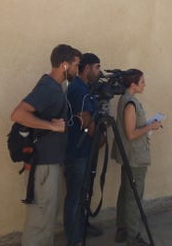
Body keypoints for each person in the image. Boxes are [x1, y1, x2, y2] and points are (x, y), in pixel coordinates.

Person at [11, 44, 81, 246]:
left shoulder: (55, 87)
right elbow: (18, 114)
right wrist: (51, 125)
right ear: (65, 65)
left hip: (49, 163)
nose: (77, 70)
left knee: (46, 217)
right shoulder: (48, 87)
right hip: (43, 166)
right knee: (40, 220)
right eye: (76, 65)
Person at [111, 69, 162, 246]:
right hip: (135, 157)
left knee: (125, 191)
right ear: (133, 84)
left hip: (130, 155)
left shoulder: (126, 100)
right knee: (133, 196)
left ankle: (122, 229)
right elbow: (131, 134)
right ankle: (133, 236)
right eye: (142, 81)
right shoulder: (130, 103)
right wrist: (150, 127)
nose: (144, 84)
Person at [63, 53, 104, 245]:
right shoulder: (78, 89)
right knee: (74, 196)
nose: (99, 71)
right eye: (97, 67)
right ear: (86, 68)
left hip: (84, 151)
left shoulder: (85, 88)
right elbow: (86, 119)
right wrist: (100, 138)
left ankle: (81, 226)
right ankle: (74, 238)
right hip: (77, 152)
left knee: (82, 194)